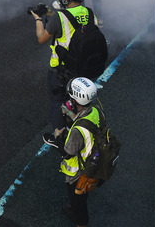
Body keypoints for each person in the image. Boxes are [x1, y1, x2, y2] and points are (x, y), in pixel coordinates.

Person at [30, 0, 97, 149]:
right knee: (75, 100)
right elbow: (72, 23)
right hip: (82, 67)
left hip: (59, 70)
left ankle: (59, 137)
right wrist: (51, 14)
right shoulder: (90, 13)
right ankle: (76, 128)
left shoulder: (58, 18)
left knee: (56, 102)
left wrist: (38, 19)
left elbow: (42, 38)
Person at [59, 77, 104, 227]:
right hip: (93, 166)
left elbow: (68, 152)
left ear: (75, 100)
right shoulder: (96, 111)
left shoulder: (77, 130)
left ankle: (80, 222)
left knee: (78, 203)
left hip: (77, 174)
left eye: (70, 96)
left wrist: (57, 139)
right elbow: (88, 125)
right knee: (83, 196)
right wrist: (73, 116)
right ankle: (75, 208)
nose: (69, 99)